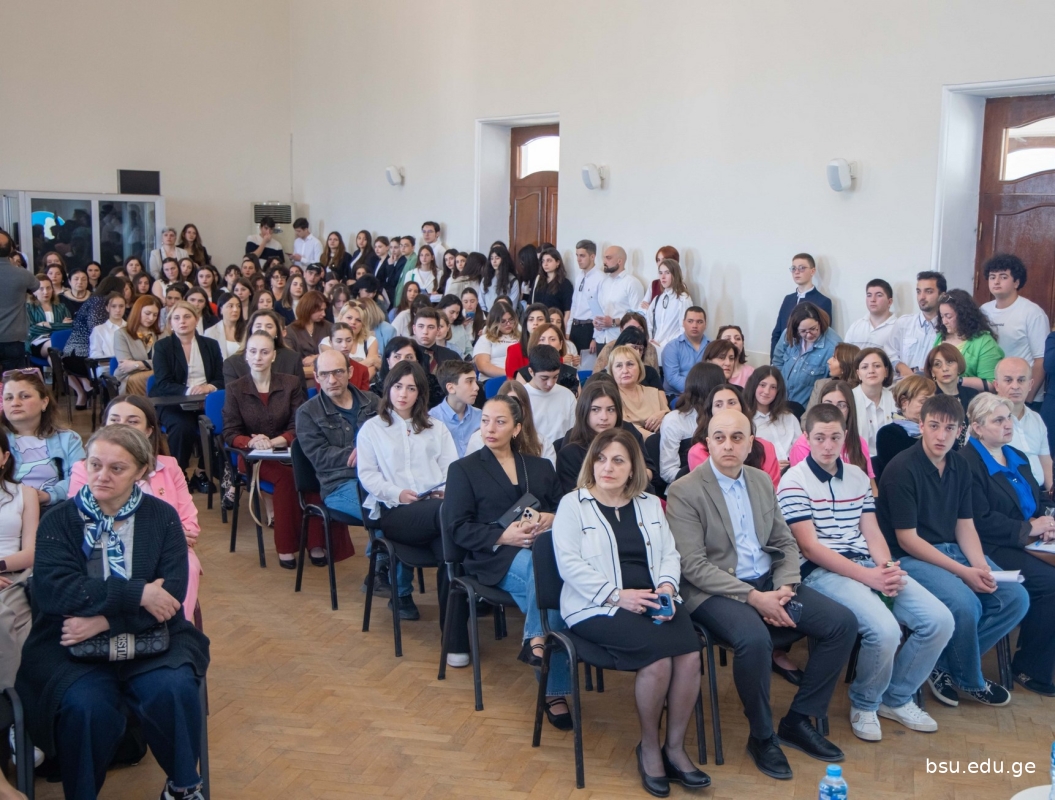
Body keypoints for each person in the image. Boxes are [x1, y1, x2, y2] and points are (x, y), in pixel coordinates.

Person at [15, 425, 209, 800]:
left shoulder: (163, 517)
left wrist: (105, 619)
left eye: (117, 468)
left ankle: (182, 786)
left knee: (172, 688)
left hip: (151, 636)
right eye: (95, 464)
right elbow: (57, 592)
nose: (102, 475)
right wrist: (138, 592)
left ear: (141, 471)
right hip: (70, 643)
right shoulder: (59, 520)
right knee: (86, 707)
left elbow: (170, 595)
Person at [668, 409, 857, 780]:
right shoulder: (685, 490)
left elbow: (784, 541)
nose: (728, 445)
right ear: (707, 443)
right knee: (754, 640)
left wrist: (785, 586)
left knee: (842, 623)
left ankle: (799, 720)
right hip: (713, 591)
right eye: (719, 437)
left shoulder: (760, 480)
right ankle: (761, 736)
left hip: (769, 582)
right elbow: (693, 567)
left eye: (737, 437)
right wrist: (754, 598)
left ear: (750, 443)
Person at [779, 404, 953, 741]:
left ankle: (896, 698)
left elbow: (872, 532)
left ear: (845, 437)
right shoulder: (793, 481)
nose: (827, 445)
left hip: (867, 564)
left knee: (939, 620)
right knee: (885, 630)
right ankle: (866, 702)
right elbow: (810, 549)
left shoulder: (858, 477)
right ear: (807, 438)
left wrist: (886, 569)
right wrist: (870, 578)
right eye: (820, 438)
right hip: (822, 571)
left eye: (834, 437)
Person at [552, 427, 709, 793]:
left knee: (689, 657)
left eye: (618, 460)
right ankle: (650, 748)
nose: (607, 467)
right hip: (595, 605)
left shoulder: (649, 503)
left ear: (633, 467)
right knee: (657, 661)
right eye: (601, 459)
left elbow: (669, 553)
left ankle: (675, 748)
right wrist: (616, 596)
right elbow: (569, 565)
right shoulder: (573, 504)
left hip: (653, 597)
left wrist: (667, 586)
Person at [877, 394, 1030, 707]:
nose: (941, 435)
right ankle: (970, 679)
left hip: (953, 550)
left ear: (960, 430)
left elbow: (965, 524)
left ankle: (942, 665)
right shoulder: (902, 468)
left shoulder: (960, 464)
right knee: (965, 604)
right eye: (934, 426)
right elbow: (907, 540)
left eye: (949, 428)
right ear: (921, 426)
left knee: (1015, 598)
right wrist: (964, 572)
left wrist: (980, 566)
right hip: (909, 557)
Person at [443, 393, 569, 686]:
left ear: (516, 428)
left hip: (542, 550)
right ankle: (554, 686)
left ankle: (537, 643)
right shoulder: (463, 470)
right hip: (493, 557)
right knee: (557, 589)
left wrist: (551, 518)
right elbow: (457, 528)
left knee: (550, 586)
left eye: (500, 422)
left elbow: (564, 509)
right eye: (485, 421)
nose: (490, 428)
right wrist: (503, 535)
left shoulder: (540, 466)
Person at [69, 396, 202, 623]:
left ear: (149, 430)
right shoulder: (85, 469)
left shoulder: (169, 466)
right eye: (115, 420)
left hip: (167, 550)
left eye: (132, 421)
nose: (122, 427)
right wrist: (164, 533)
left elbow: (189, 525)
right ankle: (116, 625)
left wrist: (169, 537)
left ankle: (177, 629)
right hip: (105, 547)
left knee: (188, 566)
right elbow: (82, 521)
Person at [224, 331, 350, 570]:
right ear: (246, 356)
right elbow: (230, 432)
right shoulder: (235, 389)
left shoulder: (290, 383)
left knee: (314, 474)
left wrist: (275, 441)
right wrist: (252, 442)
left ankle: (316, 543)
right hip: (253, 457)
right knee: (287, 478)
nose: (258, 357)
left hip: (288, 450)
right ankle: (286, 547)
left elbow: (300, 423)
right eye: (253, 352)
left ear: (273, 355)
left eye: (264, 352)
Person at [356, 361, 465, 634]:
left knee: (449, 555)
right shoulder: (372, 429)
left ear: (420, 393)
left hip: (435, 510)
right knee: (451, 521)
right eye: (397, 386)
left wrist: (444, 490)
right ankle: (480, 574)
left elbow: (451, 470)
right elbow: (368, 475)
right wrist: (398, 493)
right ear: (388, 388)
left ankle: (454, 639)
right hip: (396, 512)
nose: (403, 394)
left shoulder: (436, 427)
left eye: (411, 388)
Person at [962, 392, 1055, 695]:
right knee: (1051, 583)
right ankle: (1029, 668)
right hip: (990, 547)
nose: (1007, 425)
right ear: (977, 427)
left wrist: (1047, 523)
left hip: (1029, 540)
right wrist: (1029, 528)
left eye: (1009, 418)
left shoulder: (1017, 455)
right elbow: (979, 520)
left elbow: (1038, 498)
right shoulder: (967, 462)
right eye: (998, 420)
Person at [295, 347, 378, 527]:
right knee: (380, 513)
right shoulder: (307, 413)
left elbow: (392, 438)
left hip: (380, 477)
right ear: (316, 377)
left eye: (338, 372)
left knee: (408, 508)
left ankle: (382, 545)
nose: (332, 380)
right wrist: (364, 453)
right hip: (339, 485)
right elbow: (321, 457)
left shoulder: (373, 401)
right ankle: (382, 547)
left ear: (350, 372)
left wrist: (367, 452)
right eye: (324, 374)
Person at [150, 301, 224, 490]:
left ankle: (202, 472)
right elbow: (163, 383)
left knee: (218, 424)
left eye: (187, 317)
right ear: (171, 323)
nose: (182, 321)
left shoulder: (211, 345)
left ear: (196, 319)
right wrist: (190, 390)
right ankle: (179, 473)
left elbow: (221, 378)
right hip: (173, 402)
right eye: (176, 318)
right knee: (183, 427)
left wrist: (208, 387)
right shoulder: (162, 347)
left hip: (205, 401)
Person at [2, 370, 84, 507]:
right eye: (8, 398)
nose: (15, 403)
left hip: (55, 508)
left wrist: (49, 495)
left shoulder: (69, 438)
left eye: (24, 396)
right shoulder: (2, 440)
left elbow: (80, 479)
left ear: (44, 402)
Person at [981, 253, 1048, 403]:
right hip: (993, 395)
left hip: (1023, 396)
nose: (996, 281)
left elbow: (1041, 360)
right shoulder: (983, 310)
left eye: (1003, 277)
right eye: (992, 277)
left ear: (1016, 282)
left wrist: (1027, 398)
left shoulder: (1032, 312)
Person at [0, 434, 39, 689]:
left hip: (12, 577)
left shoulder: (25, 494)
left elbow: (31, 552)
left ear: (5, 457)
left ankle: (13, 697)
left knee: (10, 620)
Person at [688, 384, 782, 487]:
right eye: (718, 405)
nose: (726, 408)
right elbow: (712, 490)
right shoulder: (698, 452)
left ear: (742, 408)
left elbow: (770, 489)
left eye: (732, 403)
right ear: (710, 412)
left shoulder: (766, 447)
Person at [789, 380, 876, 482]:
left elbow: (870, 484)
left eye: (841, 405)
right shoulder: (803, 445)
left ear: (849, 409)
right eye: (828, 404)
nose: (833, 410)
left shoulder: (859, 442)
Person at [659, 363, 725, 485]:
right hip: (687, 486)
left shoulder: (724, 417)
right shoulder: (675, 420)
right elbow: (667, 471)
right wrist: (704, 480)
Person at [993, 356, 1052, 491]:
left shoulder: (1036, 419)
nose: (1015, 386)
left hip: (1040, 494)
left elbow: (1047, 465)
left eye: (1021, 380)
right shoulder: (985, 421)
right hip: (1007, 494)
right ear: (996, 385)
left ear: (1030, 385)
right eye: (1008, 380)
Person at [771, 302, 840, 408]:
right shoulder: (789, 334)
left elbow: (834, 384)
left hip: (807, 409)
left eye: (813, 329)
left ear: (820, 323)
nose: (808, 335)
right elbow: (777, 362)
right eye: (803, 331)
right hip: (780, 402)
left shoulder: (833, 346)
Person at [935, 288, 1005, 390]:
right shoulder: (941, 336)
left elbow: (991, 384)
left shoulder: (985, 342)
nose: (944, 322)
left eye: (948, 316)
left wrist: (956, 380)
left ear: (963, 316)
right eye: (942, 316)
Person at [769, 253, 833, 357]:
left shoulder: (823, 301)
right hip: (783, 357)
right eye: (793, 268)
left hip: (808, 359)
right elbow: (777, 333)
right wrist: (774, 361)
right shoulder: (788, 299)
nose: (797, 272)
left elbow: (823, 338)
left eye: (802, 268)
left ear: (812, 271)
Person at [223, 310, 307, 387]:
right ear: (250, 330)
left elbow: (301, 396)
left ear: (277, 332)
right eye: (258, 326)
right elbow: (233, 397)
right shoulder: (232, 364)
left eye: (269, 327)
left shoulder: (292, 359)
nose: (263, 330)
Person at [874, 375, 937, 478]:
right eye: (923, 402)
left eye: (932, 402)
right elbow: (898, 473)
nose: (930, 407)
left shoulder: (938, 432)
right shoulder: (888, 434)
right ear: (904, 403)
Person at [885, 271, 945, 378]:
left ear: (942, 295)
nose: (922, 297)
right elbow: (889, 353)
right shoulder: (904, 323)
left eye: (928, 292)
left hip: (934, 385)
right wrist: (900, 366)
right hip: (905, 384)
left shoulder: (947, 327)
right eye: (918, 291)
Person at [0, 232, 40, 372]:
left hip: (13, 339)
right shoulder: (22, 274)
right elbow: (36, 286)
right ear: (11, 250)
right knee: (13, 380)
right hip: (13, 339)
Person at [521, 345, 577, 445]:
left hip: (562, 450)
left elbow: (574, 431)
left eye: (555, 377)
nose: (550, 383)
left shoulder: (567, 395)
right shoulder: (521, 396)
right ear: (531, 372)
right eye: (544, 378)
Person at [744, 366, 800, 464]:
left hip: (794, 469)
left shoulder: (789, 417)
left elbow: (801, 448)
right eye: (762, 385)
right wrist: (772, 467)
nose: (767, 391)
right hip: (763, 471)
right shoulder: (744, 420)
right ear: (753, 386)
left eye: (773, 387)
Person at [924, 342, 979, 442]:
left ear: (959, 366)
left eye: (950, 362)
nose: (945, 369)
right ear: (932, 372)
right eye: (937, 364)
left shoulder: (973, 395)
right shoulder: (928, 397)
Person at [611, 345, 668, 437]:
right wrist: (654, 439)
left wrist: (663, 414)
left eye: (630, 364)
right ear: (611, 371)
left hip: (665, 438)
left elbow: (670, 418)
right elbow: (625, 428)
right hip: (631, 442)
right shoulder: (611, 396)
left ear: (640, 367)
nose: (625, 370)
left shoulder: (653, 392)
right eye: (619, 366)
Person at [595, 246, 645, 348]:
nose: (604, 262)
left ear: (619, 261)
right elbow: (600, 309)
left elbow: (638, 316)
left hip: (621, 340)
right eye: (604, 258)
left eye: (608, 258)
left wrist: (613, 323)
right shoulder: (604, 282)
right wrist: (597, 322)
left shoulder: (632, 283)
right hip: (601, 338)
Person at [429, 360, 481, 458]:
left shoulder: (482, 417)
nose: (476, 387)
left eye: (476, 381)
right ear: (451, 388)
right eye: (470, 381)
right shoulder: (432, 419)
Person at [513, 322, 581, 395]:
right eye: (542, 339)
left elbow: (577, 400)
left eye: (552, 339)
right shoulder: (523, 374)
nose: (547, 343)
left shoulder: (570, 372)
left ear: (561, 344)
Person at [851, 347, 896, 454]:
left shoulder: (895, 399)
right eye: (865, 367)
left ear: (886, 371)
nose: (871, 371)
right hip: (857, 459)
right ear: (858, 374)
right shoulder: (849, 399)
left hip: (891, 460)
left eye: (877, 366)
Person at [660, 307, 710, 394]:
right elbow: (673, 378)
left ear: (705, 324)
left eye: (699, 322)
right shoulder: (671, 347)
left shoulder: (712, 347)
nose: (694, 326)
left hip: (707, 395)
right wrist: (698, 390)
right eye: (690, 321)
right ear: (683, 323)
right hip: (677, 395)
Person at [594, 312, 661, 375]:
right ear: (621, 330)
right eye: (630, 329)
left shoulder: (650, 348)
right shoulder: (610, 347)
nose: (635, 332)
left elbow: (656, 376)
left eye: (639, 329)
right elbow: (596, 376)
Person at [569, 239, 604, 358]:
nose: (578, 259)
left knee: (586, 364)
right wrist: (568, 330)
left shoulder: (601, 278)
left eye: (582, 256)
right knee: (573, 362)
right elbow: (574, 304)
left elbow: (600, 310)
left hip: (589, 328)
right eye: (577, 255)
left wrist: (595, 337)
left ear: (592, 256)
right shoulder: (579, 276)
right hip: (575, 326)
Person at [25, 274, 72, 362]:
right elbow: (31, 330)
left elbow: (70, 326)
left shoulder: (61, 307)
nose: (46, 292)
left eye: (48, 288)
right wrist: (60, 325)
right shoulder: (28, 308)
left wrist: (47, 325)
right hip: (37, 342)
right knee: (56, 345)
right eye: (41, 289)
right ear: (34, 292)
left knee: (53, 356)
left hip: (58, 342)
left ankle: (60, 371)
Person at [473, 300, 521, 379]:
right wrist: (511, 374)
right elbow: (482, 366)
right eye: (503, 321)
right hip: (495, 378)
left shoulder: (521, 337)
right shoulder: (485, 339)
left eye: (511, 319)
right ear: (494, 322)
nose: (508, 324)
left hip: (518, 378)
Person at [286, 290, 332, 373]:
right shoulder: (290, 330)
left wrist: (316, 357)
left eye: (324, 310)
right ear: (308, 309)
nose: (324, 314)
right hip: (300, 375)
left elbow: (337, 351)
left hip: (326, 373)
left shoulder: (328, 327)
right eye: (320, 310)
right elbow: (289, 358)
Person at [844, 279, 897, 350]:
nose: (872, 300)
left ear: (889, 302)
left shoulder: (897, 328)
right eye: (869, 295)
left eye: (879, 295)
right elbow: (845, 354)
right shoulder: (856, 326)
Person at [807, 342, 860, 411]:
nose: (828, 361)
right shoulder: (820, 384)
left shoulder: (859, 391)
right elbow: (808, 415)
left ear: (845, 366)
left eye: (834, 359)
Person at [528, 247, 573, 325]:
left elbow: (567, 311)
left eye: (549, 260)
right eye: (543, 261)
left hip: (553, 323)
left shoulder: (565, 284)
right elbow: (530, 304)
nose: (545, 264)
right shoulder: (538, 280)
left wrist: (564, 328)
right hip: (537, 322)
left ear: (557, 262)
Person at [504, 303, 551, 378]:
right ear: (526, 324)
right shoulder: (514, 350)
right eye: (531, 319)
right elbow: (512, 380)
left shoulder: (553, 347)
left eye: (540, 319)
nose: (535, 323)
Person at [412, 307, 459, 373]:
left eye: (430, 327)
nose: (425, 332)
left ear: (438, 330)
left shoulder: (452, 357)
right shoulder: (407, 356)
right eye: (421, 326)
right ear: (414, 329)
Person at [87, 292, 127, 361]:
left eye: (121, 306)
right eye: (113, 306)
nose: (118, 310)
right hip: (107, 366)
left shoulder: (131, 328)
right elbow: (95, 355)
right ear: (107, 308)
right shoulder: (98, 330)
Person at [481, 244, 520, 312]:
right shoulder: (486, 278)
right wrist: (485, 314)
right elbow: (481, 299)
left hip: (505, 315)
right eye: (492, 258)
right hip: (487, 315)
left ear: (504, 259)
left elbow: (513, 304)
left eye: (497, 258)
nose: (494, 261)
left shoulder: (512, 280)